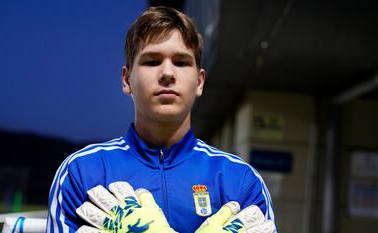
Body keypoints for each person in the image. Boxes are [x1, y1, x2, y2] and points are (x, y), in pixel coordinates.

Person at [47, 6, 275, 233]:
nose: (167, 73)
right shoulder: (82, 172)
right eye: (152, 61)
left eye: (181, 62)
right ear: (127, 80)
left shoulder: (241, 181)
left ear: (199, 82)